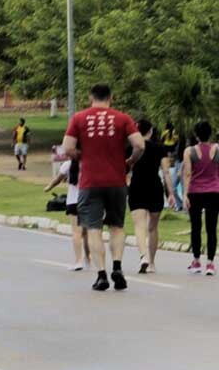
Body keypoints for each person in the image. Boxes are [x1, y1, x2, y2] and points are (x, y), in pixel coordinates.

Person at [62, 83, 144, 291]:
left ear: (91, 97)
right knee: (117, 226)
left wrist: (82, 157)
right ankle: (117, 265)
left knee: (93, 228)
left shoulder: (79, 118)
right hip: (116, 180)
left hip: (90, 182)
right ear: (111, 98)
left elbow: (67, 147)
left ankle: (101, 275)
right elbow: (140, 144)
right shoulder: (122, 118)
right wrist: (130, 161)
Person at [128, 119, 175, 274]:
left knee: (139, 225)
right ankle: (152, 263)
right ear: (151, 131)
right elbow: (166, 172)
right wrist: (171, 194)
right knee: (153, 227)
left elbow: (126, 168)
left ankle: (143, 256)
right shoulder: (160, 148)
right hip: (155, 187)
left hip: (137, 187)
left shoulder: (132, 147)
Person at [182, 121, 219, 275]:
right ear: (210, 133)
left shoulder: (189, 151)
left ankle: (196, 261)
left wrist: (184, 194)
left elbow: (187, 174)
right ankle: (210, 263)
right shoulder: (217, 149)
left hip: (195, 192)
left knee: (195, 228)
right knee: (212, 228)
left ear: (196, 135)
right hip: (214, 192)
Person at [45, 157, 90, 270]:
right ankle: (88, 257)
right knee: (86, 232)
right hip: (87, 201)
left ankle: (78, 261)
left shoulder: (67, 164)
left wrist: (49, 187)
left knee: (76, 232)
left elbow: (57, 179)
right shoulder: (89, 162)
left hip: (73, 202)